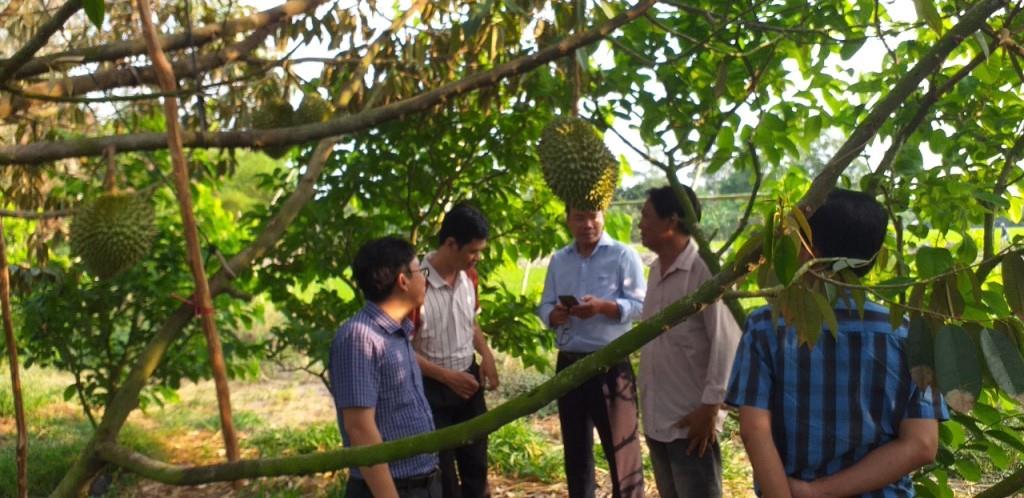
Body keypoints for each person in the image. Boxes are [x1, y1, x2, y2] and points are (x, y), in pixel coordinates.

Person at [725, 189, 948, 497]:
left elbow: (755, 430)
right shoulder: (909, 335)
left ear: (807, 249)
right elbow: (922, 444)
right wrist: (817, 492)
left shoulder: (767, 327)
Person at [636, 185, 741, 498]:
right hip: (658, 415)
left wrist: (710, 408)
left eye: (645, 216)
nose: (640, 223)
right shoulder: (655, 271)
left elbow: (728, 342)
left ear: (670, 222)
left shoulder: (704, 271)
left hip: (690, 422)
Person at [536, 206, 647, 498]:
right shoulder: (560, 260)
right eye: (579, 217)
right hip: (570, 364)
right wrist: (554, 315)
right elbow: (545, 305)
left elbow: (641, 306)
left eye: (593, 216)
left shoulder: (623, 255)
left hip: (609, 365)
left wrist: (603, 307)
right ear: (568, 220)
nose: (587, 224)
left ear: (604, 216)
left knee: (622, 452)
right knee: (576, 452)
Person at [328, 236, 440, 498]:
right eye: (419, 272)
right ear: (403, 281)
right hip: (391, 489)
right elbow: (359, 428)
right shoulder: (360, 338)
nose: (425, 279)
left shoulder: (397, 332)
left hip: (424, 482)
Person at [412, 204, 498, 498]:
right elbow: (401, 349)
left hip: (469, 380)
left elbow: (470, 321)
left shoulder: (469, 277)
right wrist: (447, 377)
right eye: (472, 251)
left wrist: (485, 355)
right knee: (443, 474)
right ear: (450, 244)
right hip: (431, 390)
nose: (477, 258)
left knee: (476, 464)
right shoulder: (414, 284)